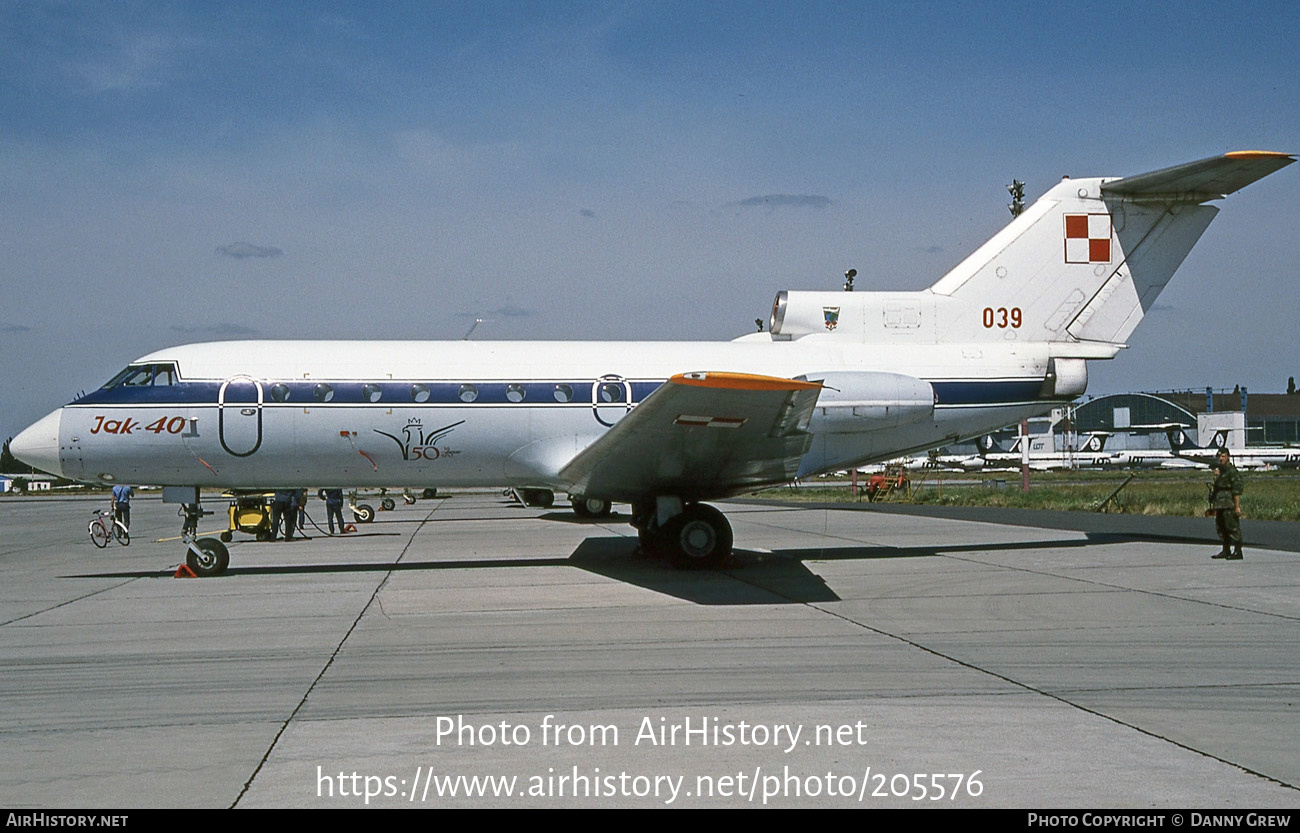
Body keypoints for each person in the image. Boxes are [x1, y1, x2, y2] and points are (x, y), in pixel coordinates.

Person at [1209, 448, 1244, 560]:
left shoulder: (1231, 471)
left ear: (1228, 457)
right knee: (1221, 528)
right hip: (1220, 504)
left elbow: (1236, 490)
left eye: (1223, 456)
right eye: (1219, 456)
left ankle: (1238, 551)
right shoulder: (1220, 471)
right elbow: (1216, 487)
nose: (1221, 459)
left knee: (1232, 527)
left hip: (1229, 504)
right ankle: (1226, 550)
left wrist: (1237, 506)